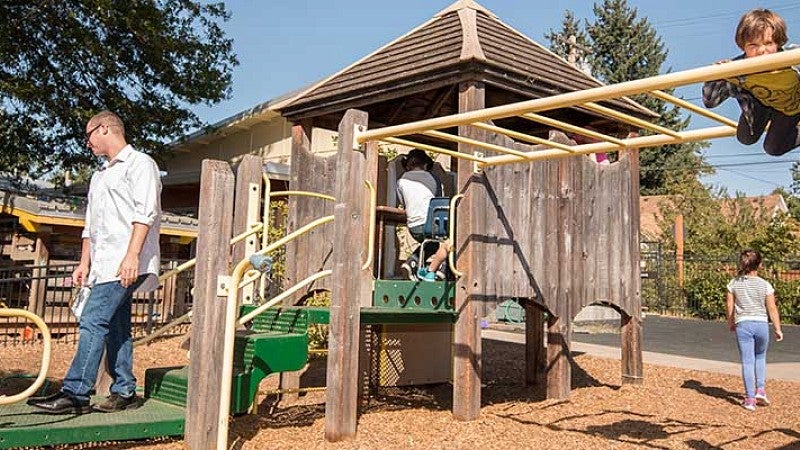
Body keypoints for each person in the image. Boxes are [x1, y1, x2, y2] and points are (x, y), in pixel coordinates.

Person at [28, 111, 162, 414]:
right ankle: (125, 389)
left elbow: (146, 213)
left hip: (126, 260)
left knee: (92, 319)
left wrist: (132, 256)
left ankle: (76, 392)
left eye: (88, 136)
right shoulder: (100, 175)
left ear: (104, 129)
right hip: (103, 264)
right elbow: (92, 224)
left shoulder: (141, 164)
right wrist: (83, 263)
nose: (86, 143)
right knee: (115, 324)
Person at [702, 8, 800, 156]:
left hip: (792, 108)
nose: (762, 50)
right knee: (745, 138)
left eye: (768, 43)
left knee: (773, 148)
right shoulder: (740, 68)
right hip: (762, 104)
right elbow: (710, 101)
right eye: (753, 45)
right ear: (743, 46)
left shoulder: (791, 58)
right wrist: (718, 75)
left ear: (778, 43)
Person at [725, 249, 784, 411]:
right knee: (760, 357)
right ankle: (761, 390)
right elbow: (772, 308)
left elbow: (730, 305)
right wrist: (777, 328)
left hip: (743, 324)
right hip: (761, 324)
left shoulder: (734, 284)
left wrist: (731, 322)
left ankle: (750, 399)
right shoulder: (765, 285)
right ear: (760, 264)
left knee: (747, 361)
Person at [396, 149, 450, 282]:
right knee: (452, 240)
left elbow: (402, 202)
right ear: (425, 165)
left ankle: (411, 263)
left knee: (431, 244)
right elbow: (438, 201)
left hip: (413, 226)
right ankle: (443, 269)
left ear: (408, 165)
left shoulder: (401, 180)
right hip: (432, 224)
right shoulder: (433, 178)